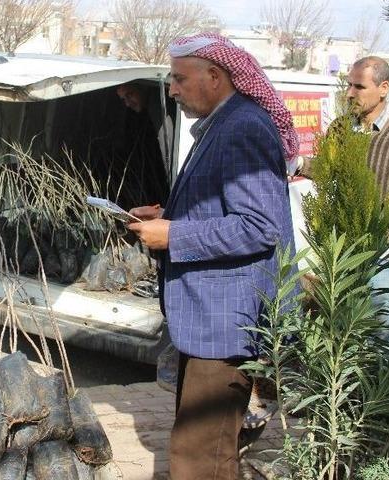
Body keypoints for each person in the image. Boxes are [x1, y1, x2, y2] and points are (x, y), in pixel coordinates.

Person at [127, 32, 297, 479]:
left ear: (216, 76)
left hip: (225, 323)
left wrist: (174, 235)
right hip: (209, 321)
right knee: (205, 449)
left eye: (180, 79)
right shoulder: (224, 123)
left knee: (200, 455)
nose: (172, 90)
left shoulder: (243, 127)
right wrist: (168, 215)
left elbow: (260, 226)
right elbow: (226, 208)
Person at [297, 56, 389, 332]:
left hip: (387, 249)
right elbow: (329, 167)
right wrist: (302, 164)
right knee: (341, 331)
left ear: (383, 88)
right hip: (343, 248)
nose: (350, 93)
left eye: (359, 87)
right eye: (349, 85)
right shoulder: (340, 127)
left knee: (383, 331)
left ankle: (380, 375)